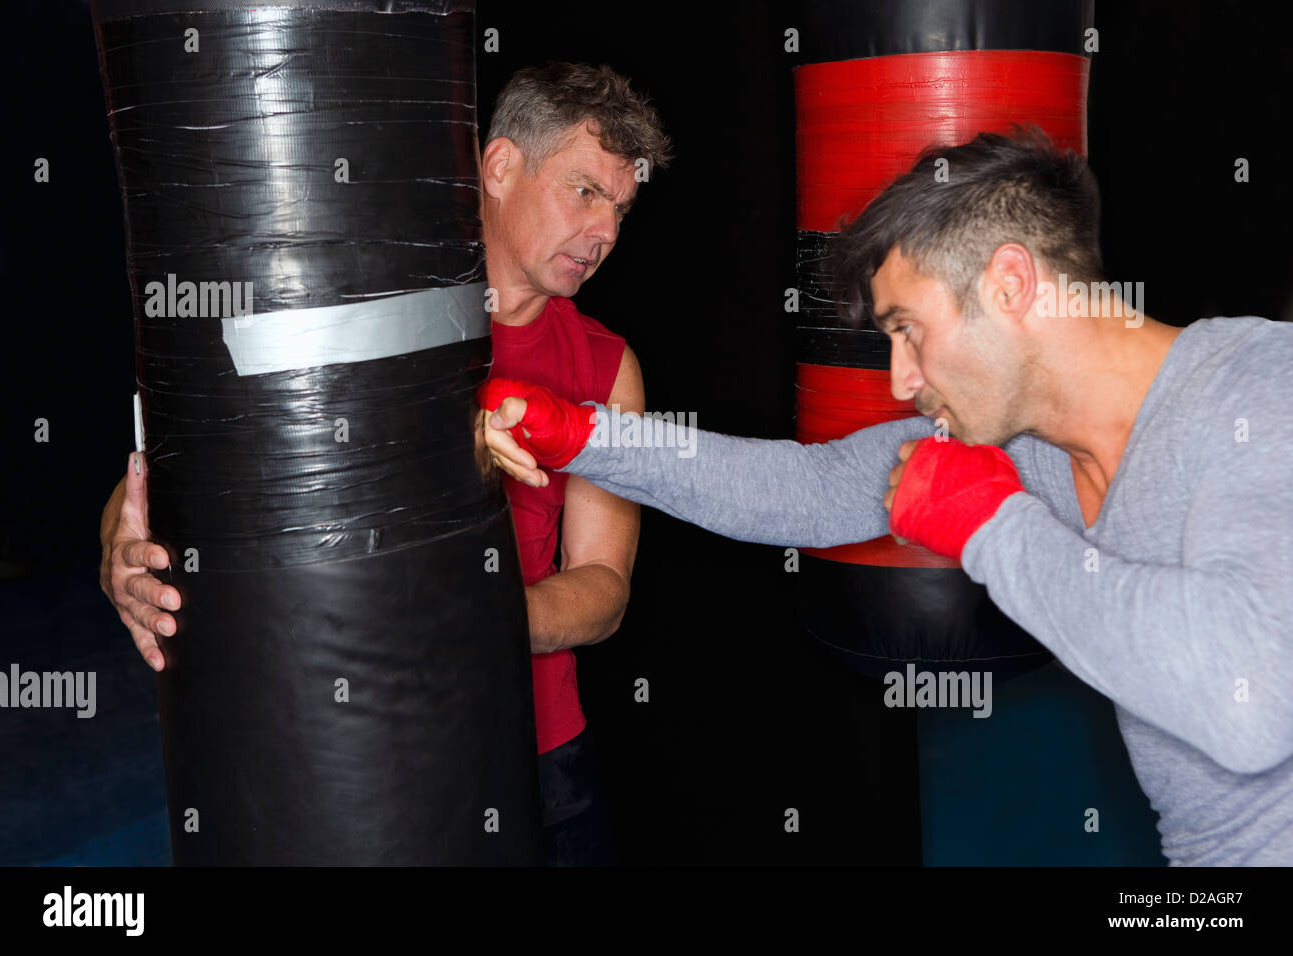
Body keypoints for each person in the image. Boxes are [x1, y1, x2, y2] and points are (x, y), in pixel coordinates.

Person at [481, 128, 1293, 866]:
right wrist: (586, 435)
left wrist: (994, 529)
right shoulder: (1028, 447)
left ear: (1010, 285)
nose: (903, 381)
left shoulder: (1261, 390)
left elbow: (1245, 703)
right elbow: (808, 485)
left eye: (909, 329)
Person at [99, 61, 671, 866]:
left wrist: (455, 624)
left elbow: (604, 590)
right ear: (501, 166)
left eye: (621, 207)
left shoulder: (607, 366)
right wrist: (118, 551)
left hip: (541, 753)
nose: (606, 232)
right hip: (360, 752)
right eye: (585, 191)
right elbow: (183, 474)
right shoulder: (379, 318)